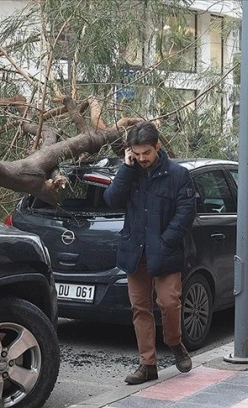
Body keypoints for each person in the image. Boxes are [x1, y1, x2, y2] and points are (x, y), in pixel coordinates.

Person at [103, 121, 196, 385]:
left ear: (158, 147)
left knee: (169, 303)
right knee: (140, 308)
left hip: (165, 252)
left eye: (147, 153)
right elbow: (111, 199)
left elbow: (186, 212)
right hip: (135, 253)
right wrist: (126, 169)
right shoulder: (130, 172)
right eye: (137, 153)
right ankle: (147, 364)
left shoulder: (178, 175)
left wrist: (167, 240)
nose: (142, 158)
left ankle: (175, 343)